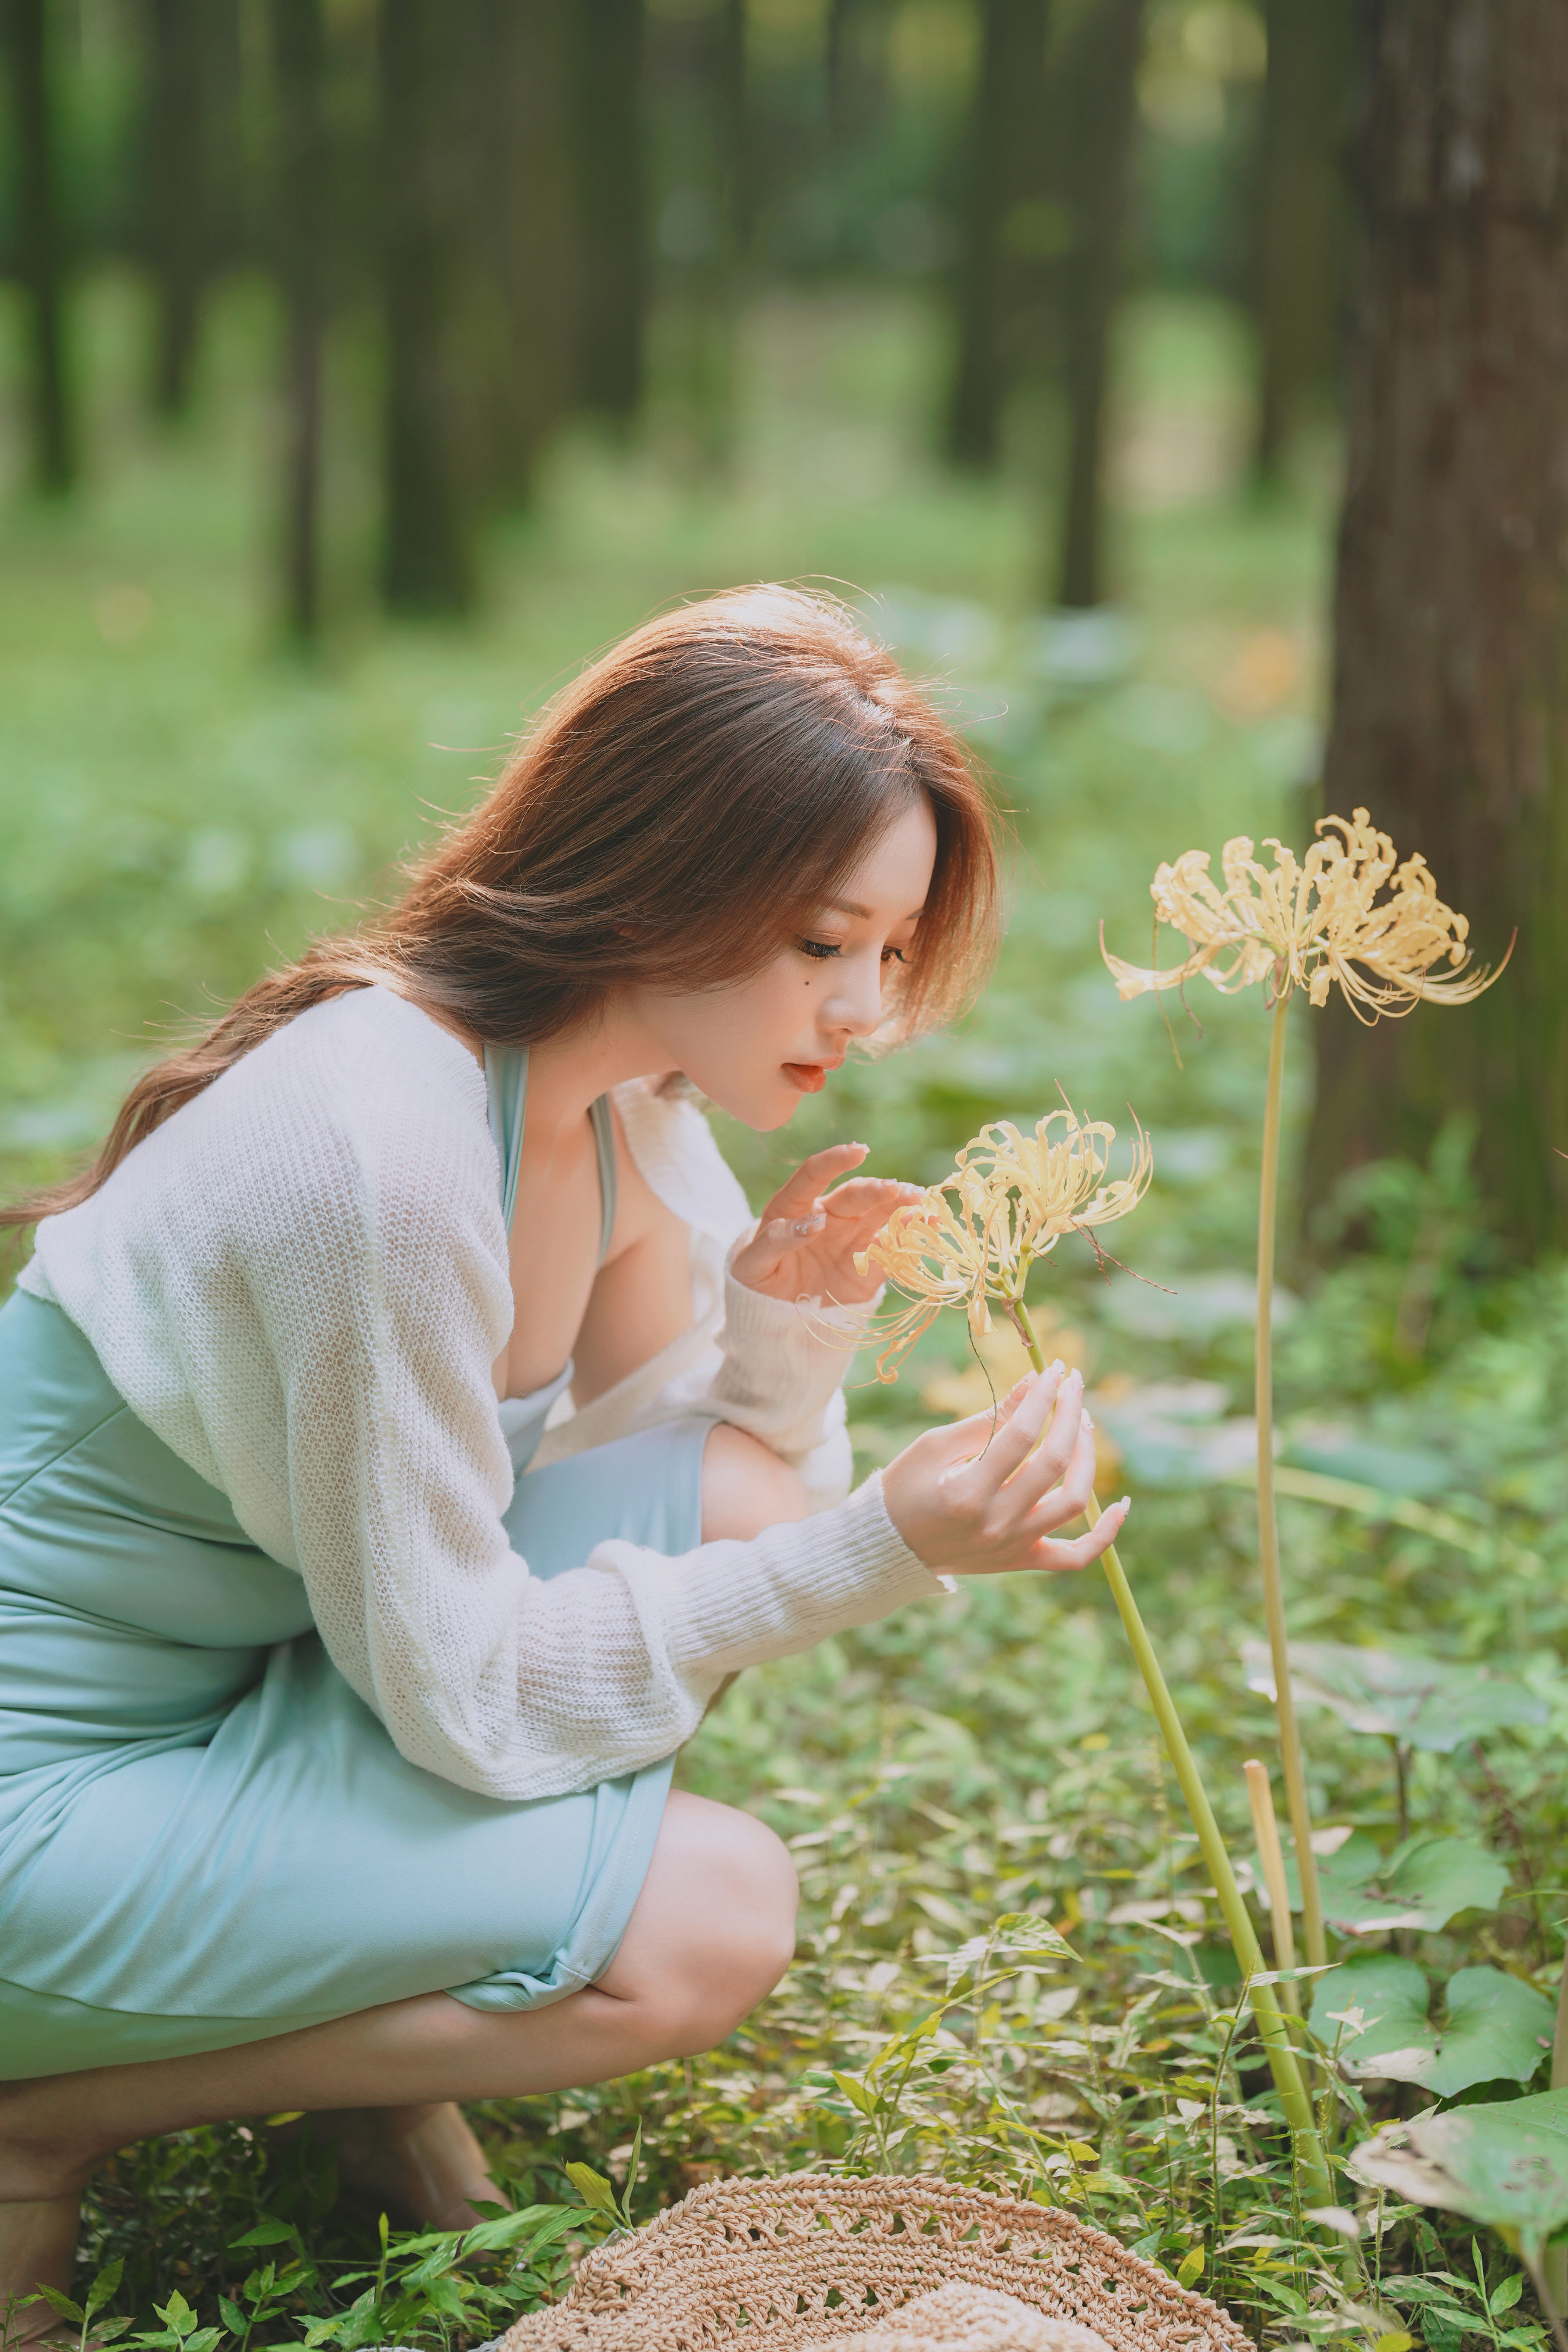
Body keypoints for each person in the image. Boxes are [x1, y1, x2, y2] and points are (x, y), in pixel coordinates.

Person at [0, 588, 1130, 2330]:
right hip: (39, 1805)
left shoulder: (612, 1106)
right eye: (823, 941)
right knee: (713, 1913)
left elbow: (718, 1478)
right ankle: (43, 2115)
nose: (867, 1008)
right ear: (662, 875)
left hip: (232, 1706)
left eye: (889, 953)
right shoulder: (379, 1152)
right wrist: (890, 1541)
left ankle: (360, 2075)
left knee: (734, 1502)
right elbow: (465, 1689)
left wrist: (786, 1330)